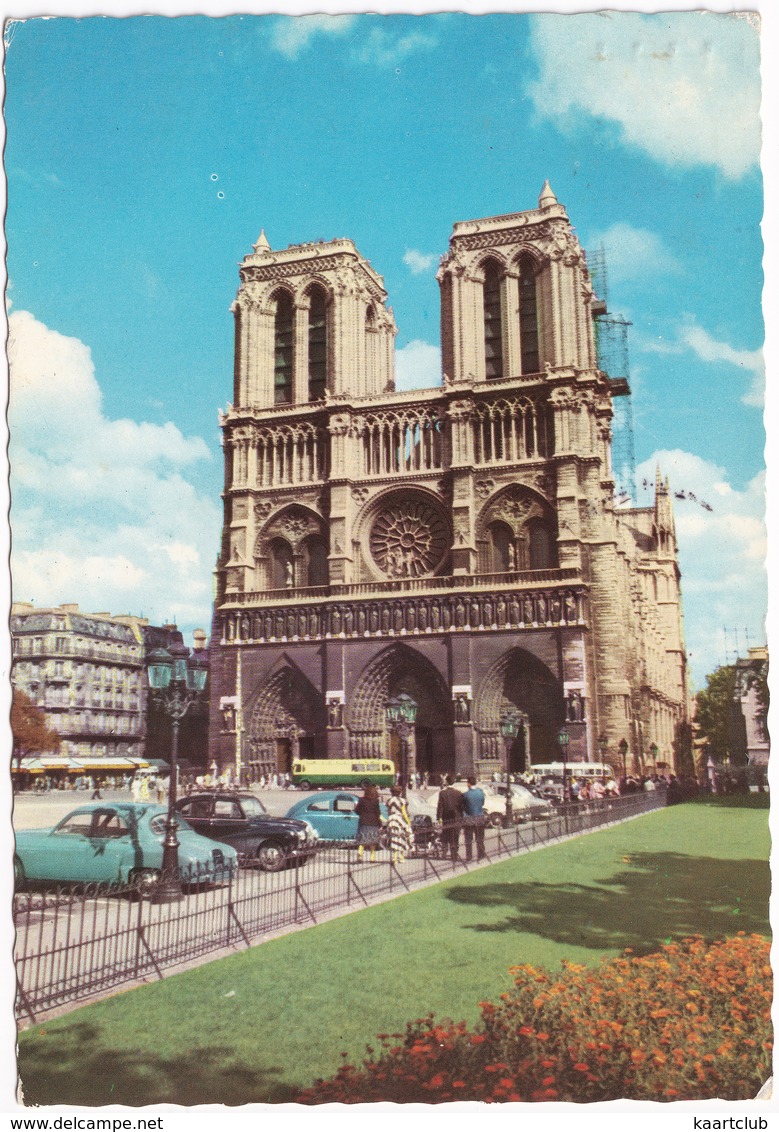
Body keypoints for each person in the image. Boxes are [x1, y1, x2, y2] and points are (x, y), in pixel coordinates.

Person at [436, 777, 465, 861]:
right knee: (455, 837)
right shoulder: (459, 793)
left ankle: (445, 852)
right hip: (456, 818)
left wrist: (439, 817)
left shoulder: (442, 793)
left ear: (447, 782)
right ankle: (454, 854)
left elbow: (440, 806)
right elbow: (462, 807)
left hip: (446, 818)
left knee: (446, 836)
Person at [355, 783, 383, 861]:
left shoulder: (361, 800)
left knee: (362, 839)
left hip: (363, 821)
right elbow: (378, 812)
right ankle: (372, 857)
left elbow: (356, 810)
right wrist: (379, 822)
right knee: (372, 841)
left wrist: (361, 813)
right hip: (373, 822)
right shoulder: (376, 801)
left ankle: (360, 853)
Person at [386, 784, 413, 864]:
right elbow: (404, 812)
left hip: (391, 820)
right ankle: (401, 857)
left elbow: (388, 811)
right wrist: (408, 821)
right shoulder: (402, 801)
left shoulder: (389, 800)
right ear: (400, 792)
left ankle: (394, 858)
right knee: (402, 838)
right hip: (399, 820)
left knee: (394, 838)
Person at [461, 776, 486, 861]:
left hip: (469, 818)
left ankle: (469, 856)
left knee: (468, 840)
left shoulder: (465, 795)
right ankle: (481, 854)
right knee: (480, 838)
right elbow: (482, 803)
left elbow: (463, 806)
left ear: (468, 783)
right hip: (479, 817)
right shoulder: (480, 792)